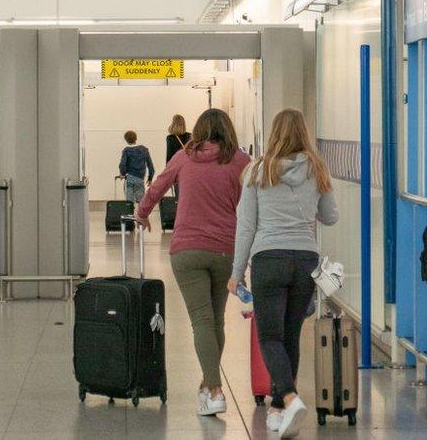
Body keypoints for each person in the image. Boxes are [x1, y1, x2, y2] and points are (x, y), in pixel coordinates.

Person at [229, 108, 338, 439]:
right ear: (303, 133)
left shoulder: (257, 171)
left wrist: (237, 273)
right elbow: (330, 216)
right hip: (305, 260)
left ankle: (289, 398)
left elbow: (246, 227)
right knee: (290, 336)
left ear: (274, 133)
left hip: (269, 259)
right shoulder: (317, 169)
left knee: (270, 336)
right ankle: (277, 411)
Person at [134, 109, 251, 417]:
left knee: (201, 321)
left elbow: (158, 185)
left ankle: (213, 390)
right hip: (226, 249)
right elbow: (253, 202)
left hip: (187, 249)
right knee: (216, 321)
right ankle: (208, 387)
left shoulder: (185, 156)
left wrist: (142, 213)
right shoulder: (240, 161)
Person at [119, 131, 155, 204]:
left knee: (129, 202)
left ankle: (129, 214)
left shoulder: (126, 150)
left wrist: (122, 174)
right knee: (141, 202)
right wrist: (150, 178)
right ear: (136, 138)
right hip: (140, 178)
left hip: (129, 178)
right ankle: (140, 215)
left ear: (126, 140)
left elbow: (122, 165)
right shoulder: (144, 149)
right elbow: (150, 166)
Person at [166, 114, 191, 197]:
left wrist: (167, 171)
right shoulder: (190, 136)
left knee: (179, 196)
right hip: (190, 170)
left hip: (177, 171)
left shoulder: (170, 138)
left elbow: (169, 156)